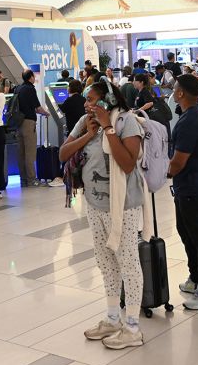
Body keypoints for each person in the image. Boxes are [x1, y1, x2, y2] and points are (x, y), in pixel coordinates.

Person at [59, 79, 149, 349]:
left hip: (123, 205)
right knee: (105, 261)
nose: (88, 104)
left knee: (128, 261)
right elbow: (64, 153)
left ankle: (132, 326)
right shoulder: (85, 122)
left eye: (93, 100)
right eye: (86, 99)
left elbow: (127, 163)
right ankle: (112, 318)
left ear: (108, 101)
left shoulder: (125, 122)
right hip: (94, 204)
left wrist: (108, 128)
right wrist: (88, 134)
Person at [167, 74, 198, 310]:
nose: (173, 92)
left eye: (175, 89)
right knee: (186, 231)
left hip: (192, 184)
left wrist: (161, 173)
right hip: (189, 184)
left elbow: (179, 161)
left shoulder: (191, 120)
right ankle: (195, 277)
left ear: (180, 93)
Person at [15, 69, 47, 187]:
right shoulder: (30, 89)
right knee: (30, 152)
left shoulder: (18, 88)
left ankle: (23, 179)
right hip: (28, 123)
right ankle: (32, 179)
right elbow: (38, 108)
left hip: (18, 123)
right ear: (31, 77)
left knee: (21, 153)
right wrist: (46, 113)